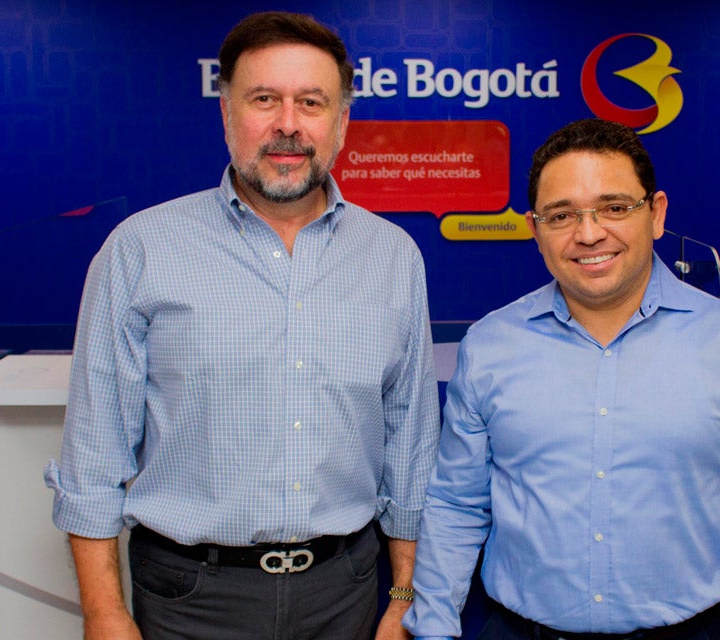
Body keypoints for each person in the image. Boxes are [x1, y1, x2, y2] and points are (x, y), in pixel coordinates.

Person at [44, 11, 440, 640]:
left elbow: (410, 450)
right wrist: (105, 614)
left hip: (348, 592)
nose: (288, 124)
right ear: (227, 113)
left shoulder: (393, 257)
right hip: (190, 599)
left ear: (341, 122)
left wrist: (403, 597)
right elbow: (93, 459)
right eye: (264, 99)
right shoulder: (140, 250)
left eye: (311, 102)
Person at [403, 119, 720, 640]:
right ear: (535, 229)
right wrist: (434, 629)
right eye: (562, 215)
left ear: (656, 213)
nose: (589, 233)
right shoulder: (490, 346)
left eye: (615, 207)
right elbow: (456, 507)